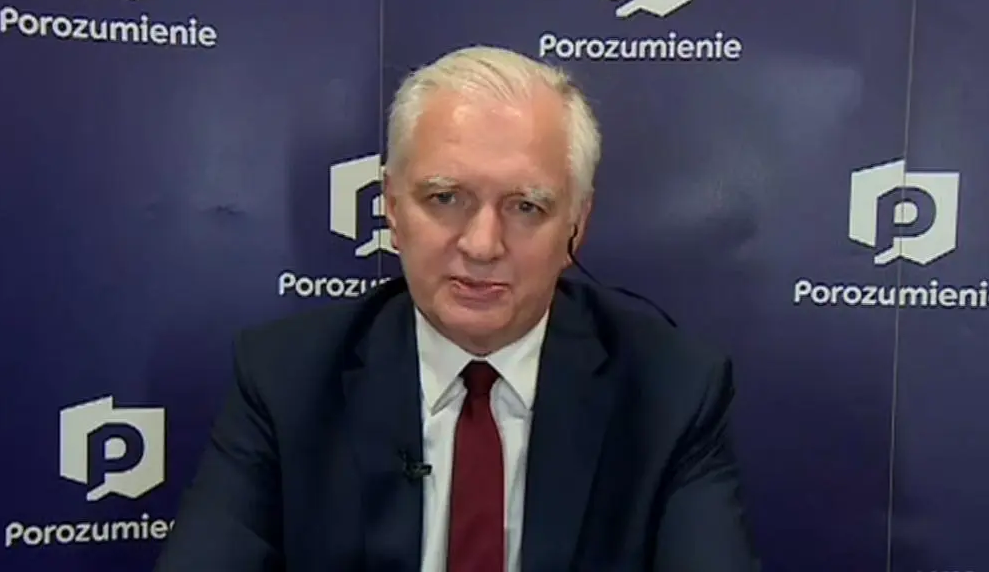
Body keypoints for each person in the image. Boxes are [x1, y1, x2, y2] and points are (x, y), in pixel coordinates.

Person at [153, 45, 760, 571]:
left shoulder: (671, 392)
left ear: (577, 223)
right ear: (392, 207)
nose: (482, 245)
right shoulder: (285, 379)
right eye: (446, 198)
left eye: (526, 206)